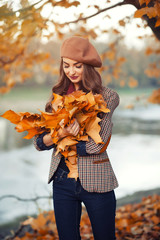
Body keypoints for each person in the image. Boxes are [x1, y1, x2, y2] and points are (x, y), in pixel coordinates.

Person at [34, 36, 120, 240]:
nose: (71, 71)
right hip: (62, 181)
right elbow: (39, 143)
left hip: (97, 179)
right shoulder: (58, 96)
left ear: (88, 66)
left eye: (77, 66)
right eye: (66, 65)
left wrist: (73, 136)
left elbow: (97, 144)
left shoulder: (107, 96)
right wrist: (61, 134)